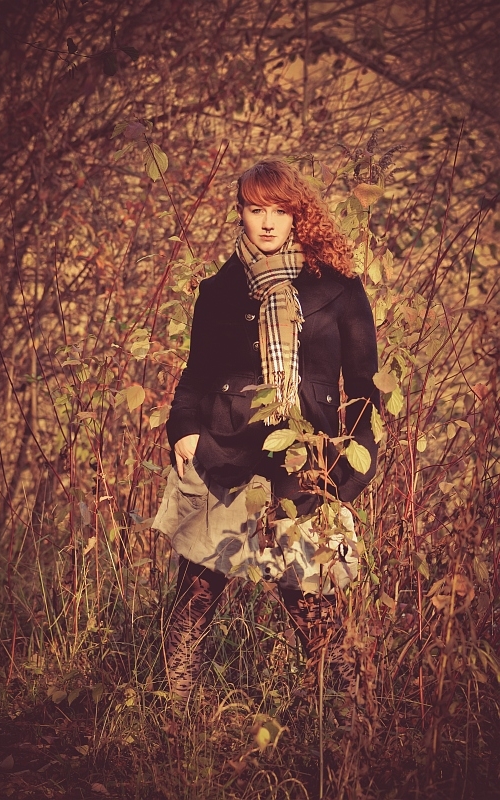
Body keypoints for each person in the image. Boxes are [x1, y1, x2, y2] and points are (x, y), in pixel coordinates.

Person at [153, 159, 379, 698]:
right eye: (257, 210)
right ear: (241, 213)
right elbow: (196, 376)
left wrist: (352, 467)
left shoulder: (340, 290)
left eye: (280, 210)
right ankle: (176, 709)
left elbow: (364, 388)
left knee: (310, 595)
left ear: (297, 214)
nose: (269, 222)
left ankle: (344, 716)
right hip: (225, 451)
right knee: (199, 587)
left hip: (309, 459)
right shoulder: (219, 291)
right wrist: (183, 427)